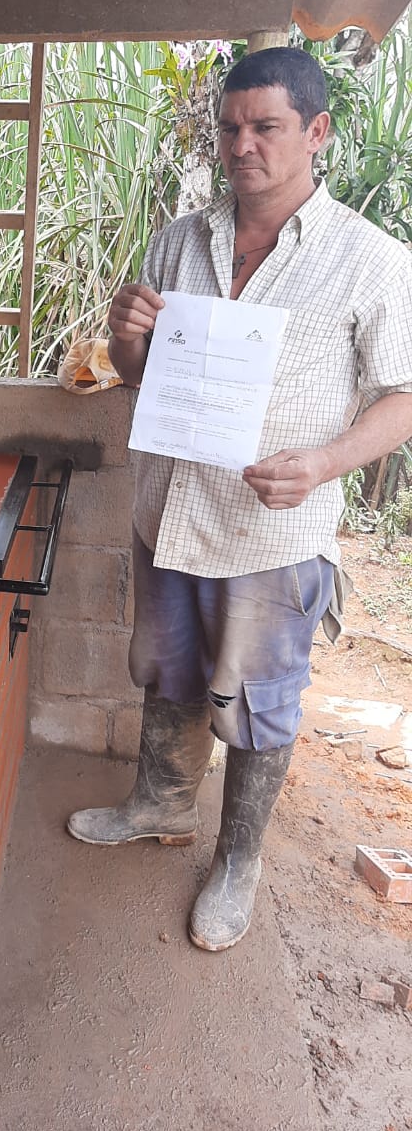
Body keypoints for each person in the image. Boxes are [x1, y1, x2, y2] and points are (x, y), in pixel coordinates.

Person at [67, 46, 412, 951]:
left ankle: (239, 861)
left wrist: (328, 461)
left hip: (272, 529)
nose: (242, 145)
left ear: (317, 132)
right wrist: (125, 335)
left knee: (258, 702)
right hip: (170, 511)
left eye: (265, 127)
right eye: (230, 127)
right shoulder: (182, 238)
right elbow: (144, 380)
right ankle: (159, 804)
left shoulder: (369, 261)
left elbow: (404, 397)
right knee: (171, 673)